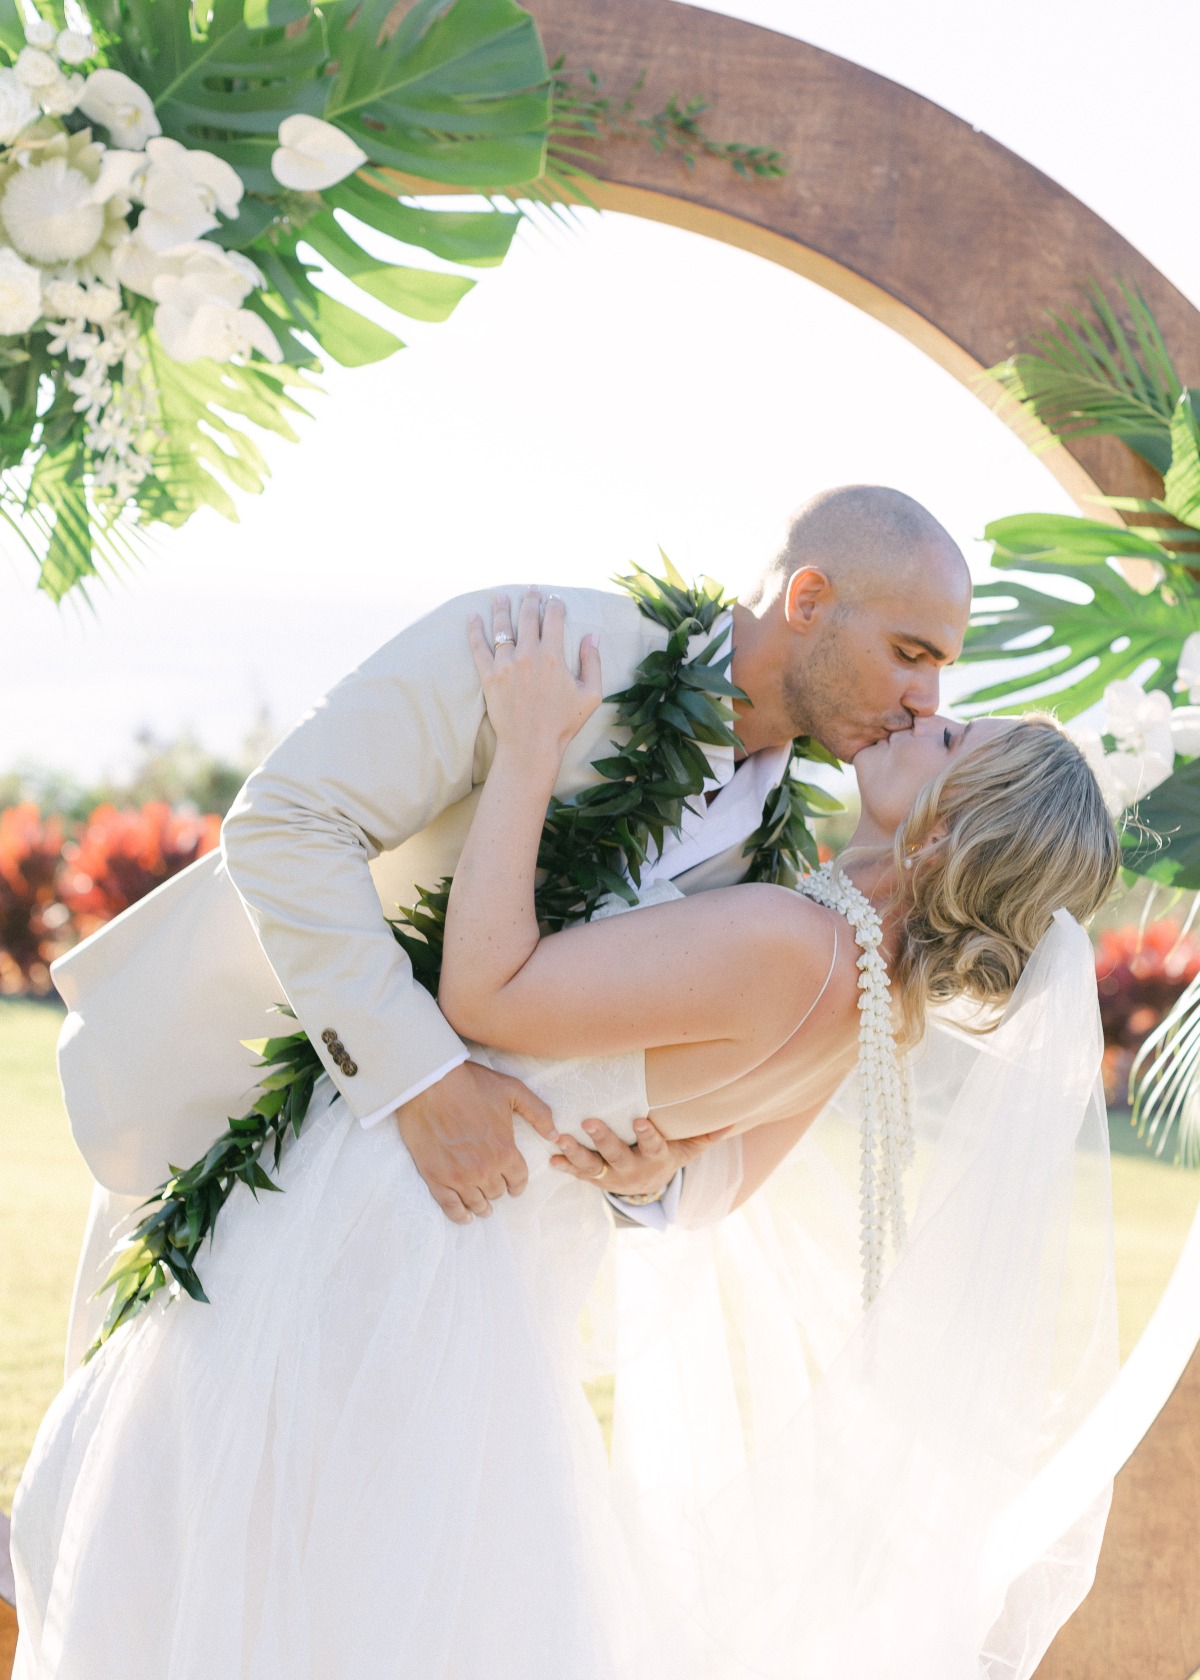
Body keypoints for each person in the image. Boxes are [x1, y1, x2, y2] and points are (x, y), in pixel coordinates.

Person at [12, 588, 1119, 1679]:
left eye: (956, 738)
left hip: (397, 1235)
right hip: (500, 1276)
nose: (928, 711)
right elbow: (719, 1184)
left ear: (953, 833)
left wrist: (533, 745)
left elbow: (488, 995)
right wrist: (652, 1168)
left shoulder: (797, 942)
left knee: (230, 1575)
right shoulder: (875, 1003)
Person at [52, 484, 973, 1365]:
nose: (927, 700)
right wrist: (420, 1077)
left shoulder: (781, 863)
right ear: (810, 600)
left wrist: (646, 1170)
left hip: (463, 1254)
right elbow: (288, 819)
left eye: (940, 669)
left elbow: (626, 1081)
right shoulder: (546, 651)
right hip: (241, 1130)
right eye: (911, 652)